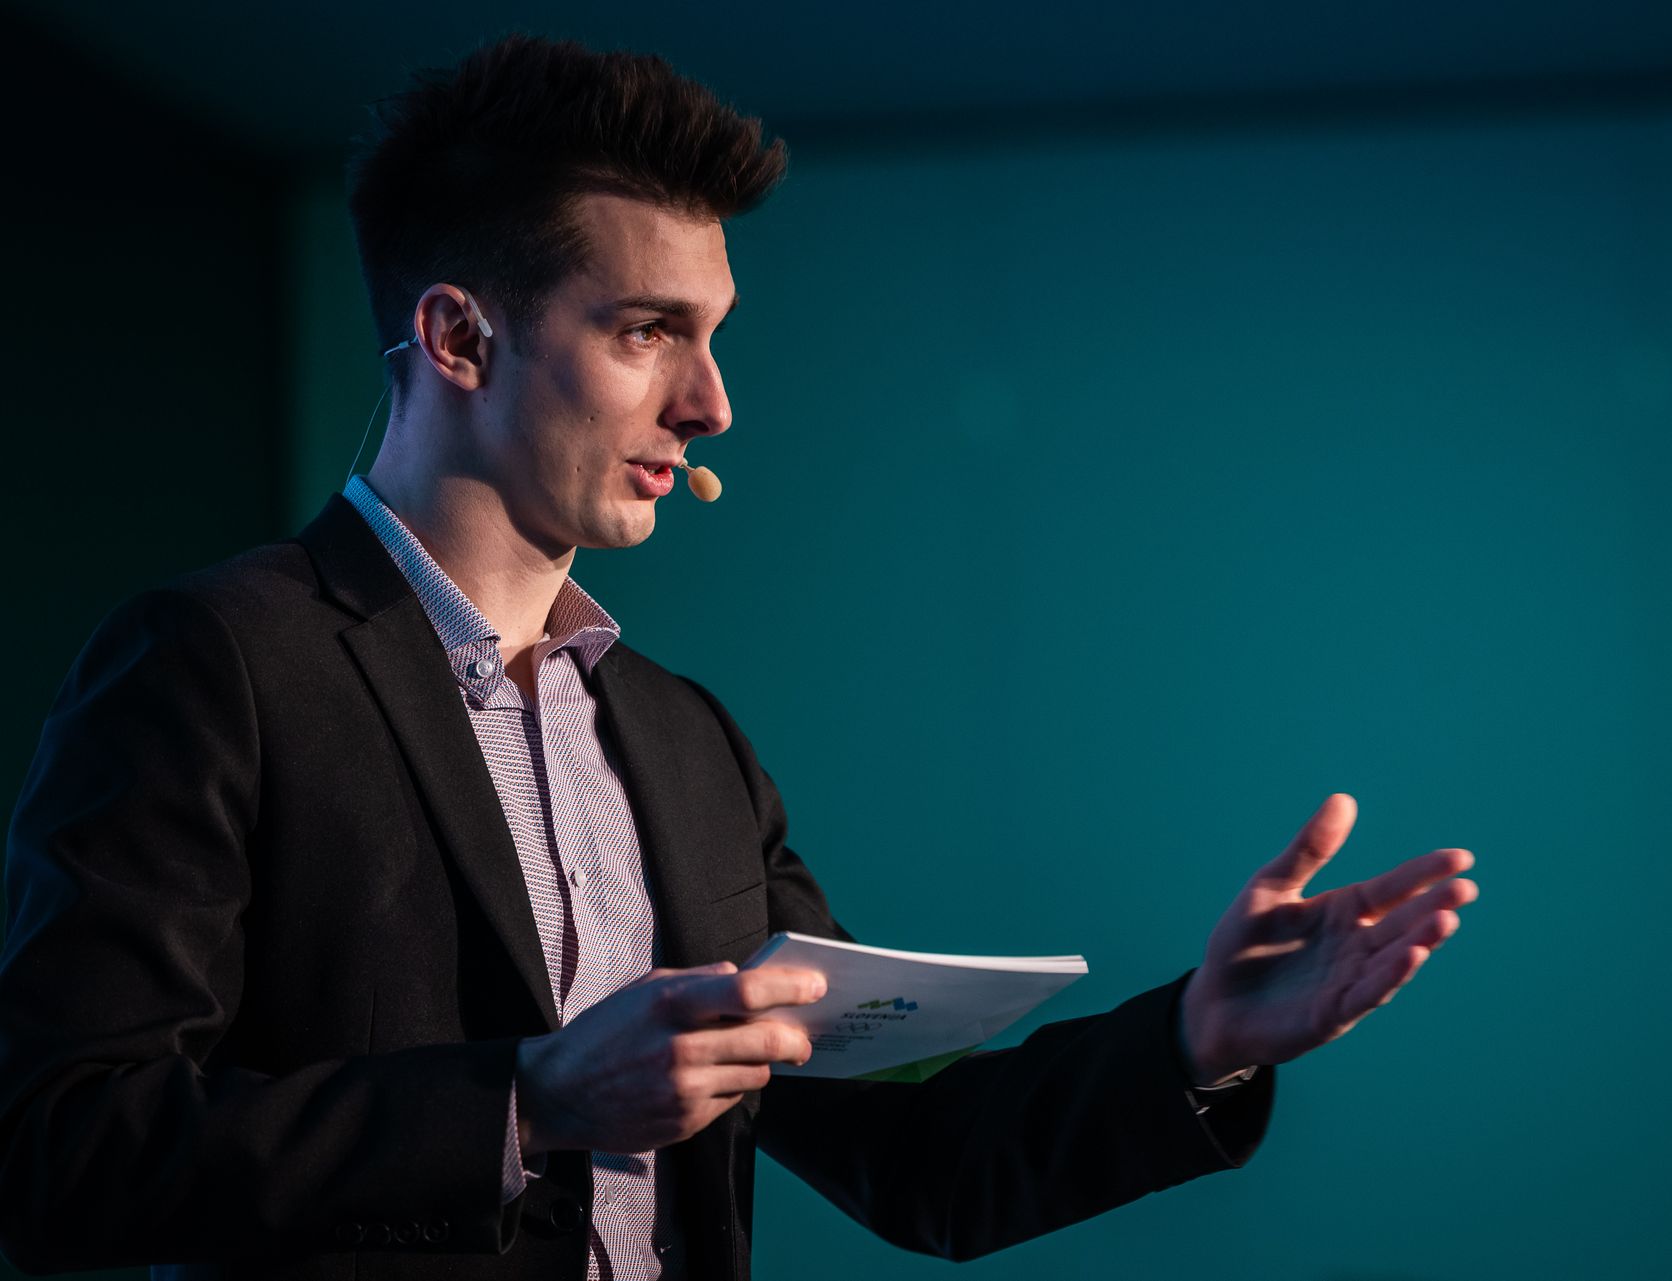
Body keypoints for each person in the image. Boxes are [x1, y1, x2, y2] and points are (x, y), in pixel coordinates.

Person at [0, 34, 1478, 1281]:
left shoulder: (687, 741)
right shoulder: (215, 665)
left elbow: (914, 1149)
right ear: (456, 337)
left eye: (711, 336)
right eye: (649, 331)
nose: (711, 403)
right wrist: (526, 1102)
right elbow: (56, 1152)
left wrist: (1201, 1040)